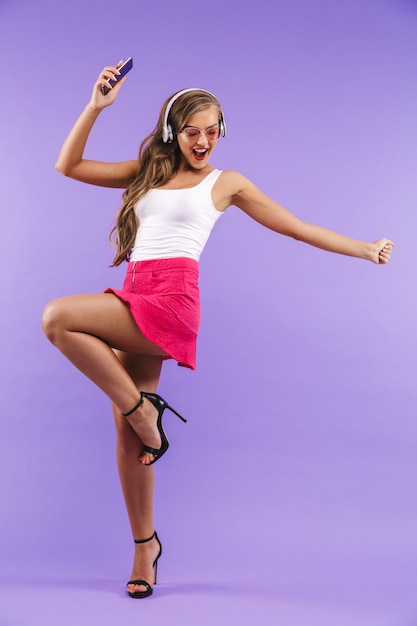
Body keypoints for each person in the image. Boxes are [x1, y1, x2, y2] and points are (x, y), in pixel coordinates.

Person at [42, 61, 394, 599]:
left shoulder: (225, 183)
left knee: (58, 317)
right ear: (172, 132)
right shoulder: (148, 170)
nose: (204, 141)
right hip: (137, 288)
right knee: (126, 436)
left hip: (173, 299)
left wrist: (364, 248)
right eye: (192, 131)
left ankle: (145, 413)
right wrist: (95, 106)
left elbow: (297, 228)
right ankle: (146, 547)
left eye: (212, 130)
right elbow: (67, 166)